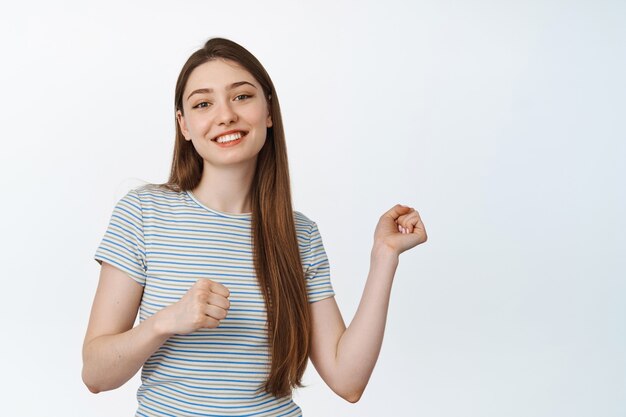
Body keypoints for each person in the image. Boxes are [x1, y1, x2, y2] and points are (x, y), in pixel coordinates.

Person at [82, 37, 427, 417]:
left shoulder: (300, 235)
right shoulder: (143, 213)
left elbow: (348, 381)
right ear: (184, 125)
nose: (226, 115)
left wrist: (384, 257)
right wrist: (164, 322)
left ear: (268, 111)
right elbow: (96, 374)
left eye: (242, 97)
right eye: (203, 103)